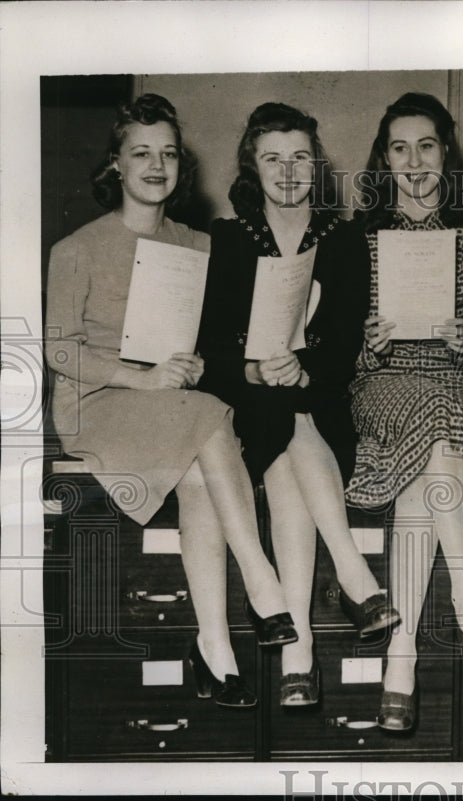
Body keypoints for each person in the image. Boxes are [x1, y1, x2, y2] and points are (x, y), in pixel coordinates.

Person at [45, 94, 295, 710]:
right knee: (210, 417)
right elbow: (57, 352)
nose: (156, 165)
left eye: (168, 153)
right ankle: (262, 579)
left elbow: (209, 341)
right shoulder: (75, 249)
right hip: (98, 402)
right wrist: (145, 380)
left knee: (200, 475)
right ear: (116, 167)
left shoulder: (198, 245)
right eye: (141, 153)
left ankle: (214, 649)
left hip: (171, 404)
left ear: (181, 163)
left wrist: (195, 364)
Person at [197, 102, 401, 707]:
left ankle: (300, 647)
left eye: (300, 158)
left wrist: (302, 367)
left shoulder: (344, 239)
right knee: (280, 418)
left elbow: (343, 345)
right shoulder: (226, 237)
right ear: (251, 167)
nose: (287, 172)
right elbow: (208, 342)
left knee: (293, 429)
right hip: (246, 397)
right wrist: (255, 368)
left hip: (321, 398)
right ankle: (351, 575)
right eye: (272, 159)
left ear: (317, 165)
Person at [348, 93, 463, 732]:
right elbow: (337, 356)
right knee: (436, 425)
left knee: (428, 468)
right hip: (383, 384)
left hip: (450, 384)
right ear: (383, 161)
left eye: (427, 146)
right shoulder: (358, 240)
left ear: (447, 153)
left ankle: (401, 657)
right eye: (399, 147)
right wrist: (368, 342)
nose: (414, 161)